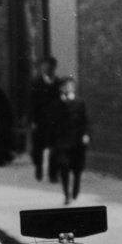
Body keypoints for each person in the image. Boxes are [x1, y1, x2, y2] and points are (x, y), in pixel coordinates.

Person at [48, 76, 90, 205]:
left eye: (71, 85)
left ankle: (76, 187)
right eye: (65, 86)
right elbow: (52, 124)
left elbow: (85, 121)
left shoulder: (80, 103)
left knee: (77, 168)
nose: (68, 88)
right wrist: (51, 143)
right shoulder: (56, 104)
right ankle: (67, 194)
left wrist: (86, 134)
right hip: (62, 143)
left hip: (77, 142)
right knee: (64, 167)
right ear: (61, 88)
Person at [28, 56, 59, 182]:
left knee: (54, 147)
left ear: (53, 68)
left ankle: (53, 174)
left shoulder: (58, 82)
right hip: (40, 120)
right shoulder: (36, 83)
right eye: (44, 66)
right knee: (38, 147)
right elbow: (31, 103)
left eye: (49, 66)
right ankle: (39, 169)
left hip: (54, 120)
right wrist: (33, 120)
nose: (46, 69)